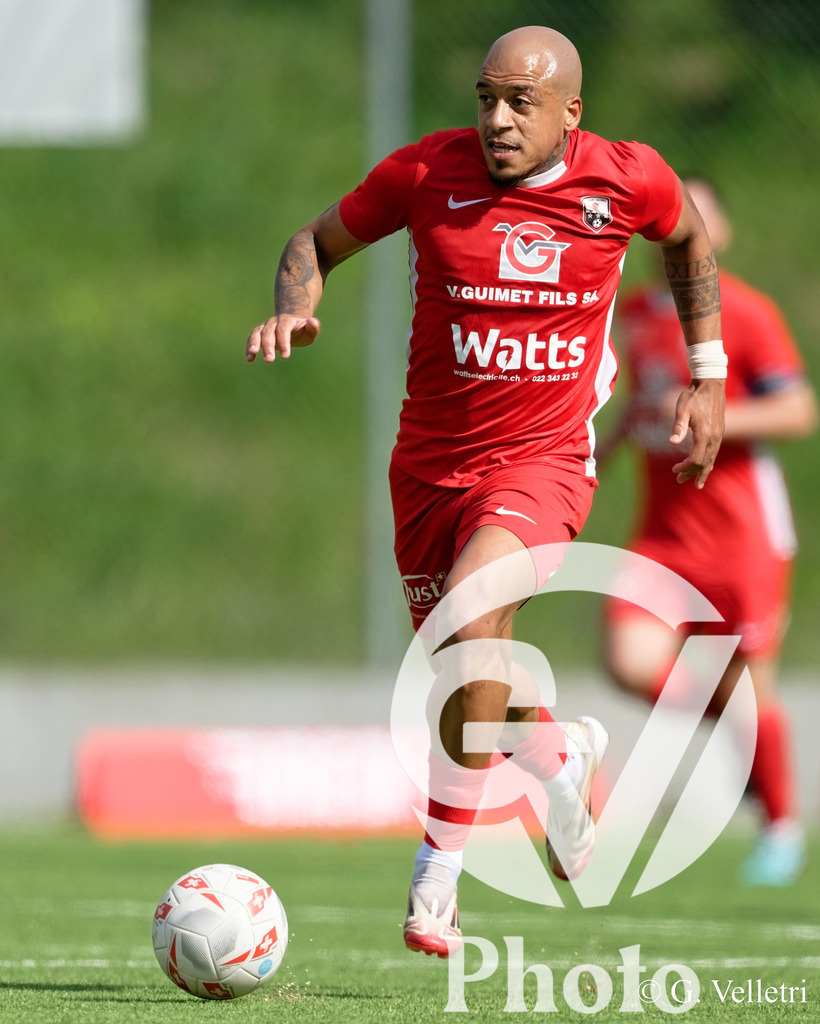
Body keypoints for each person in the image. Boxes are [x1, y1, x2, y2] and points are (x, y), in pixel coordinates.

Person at [246, 27, 726, 956]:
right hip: (428, 468)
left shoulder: (625, 180)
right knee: (464, 679)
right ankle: (560, 754)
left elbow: (687, 236)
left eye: (522, 103)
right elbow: (317, 237)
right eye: (486, 98)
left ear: (570, 114)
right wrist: (296, 307)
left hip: (541, 465)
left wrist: (706, 373)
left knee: (473, 620)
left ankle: (437, 878)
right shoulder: (428, 175)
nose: (498, 120)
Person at [601, 178, 817, 887]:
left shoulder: (747, 315)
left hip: (741, 536)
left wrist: (714, 416)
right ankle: (742, 740)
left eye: (697, 213)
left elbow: (797, 411)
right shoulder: (634, 314)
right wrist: (594, 451)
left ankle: (781, 826)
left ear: (716, 232)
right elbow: (640, 401)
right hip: (663, 535)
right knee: (631, 661)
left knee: (750, 688)